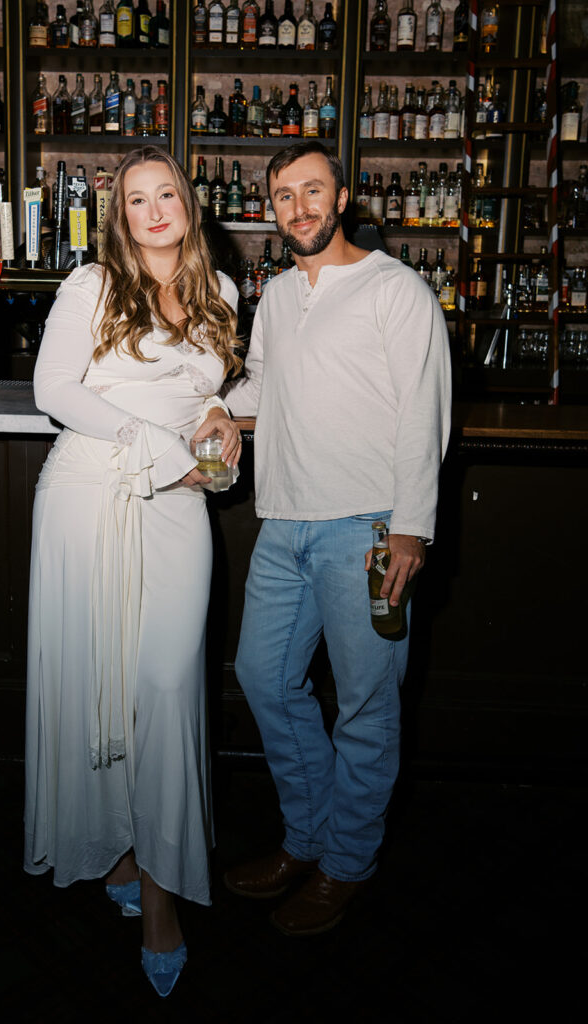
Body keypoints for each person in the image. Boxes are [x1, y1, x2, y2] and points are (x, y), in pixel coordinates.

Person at [24, 146, 242, 995]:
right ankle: (116, 853)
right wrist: (163, 452)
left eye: (167, 195)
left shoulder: (222, 293)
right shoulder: (91, 286)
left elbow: (213, 387)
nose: (154, 211)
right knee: (101, 688)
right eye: (136, 200)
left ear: (189, 204)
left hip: (180, 512)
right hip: (91, 498)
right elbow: (55, 389)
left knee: (161, 687)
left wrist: (222, 411)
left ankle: (161, 890)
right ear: (118, 216)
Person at [222, 141, 452, 936]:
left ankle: (346, 862)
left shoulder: (396, 289)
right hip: (282, 523)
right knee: (263, 677)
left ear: (343, 196)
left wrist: (413, 531)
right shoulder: (279, 297)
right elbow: (260, 381)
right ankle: (308, 838)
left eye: (312, 191)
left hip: (369, 529)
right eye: (284, 197)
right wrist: (222, 408)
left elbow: (424, 411)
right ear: (273, 210)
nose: (300, 208)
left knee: (364, 706)